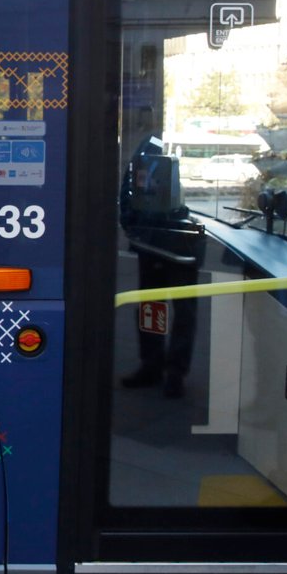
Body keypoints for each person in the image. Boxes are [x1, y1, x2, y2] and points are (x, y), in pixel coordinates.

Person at [117, 135, 206, 399]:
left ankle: (170, 369)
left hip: (172, 240)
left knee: (174, 309)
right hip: (158, 239)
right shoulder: (149, 148)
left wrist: (131, 223)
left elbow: (129, 190)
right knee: (155, 306)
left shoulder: (150, 148)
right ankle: (157, 366)